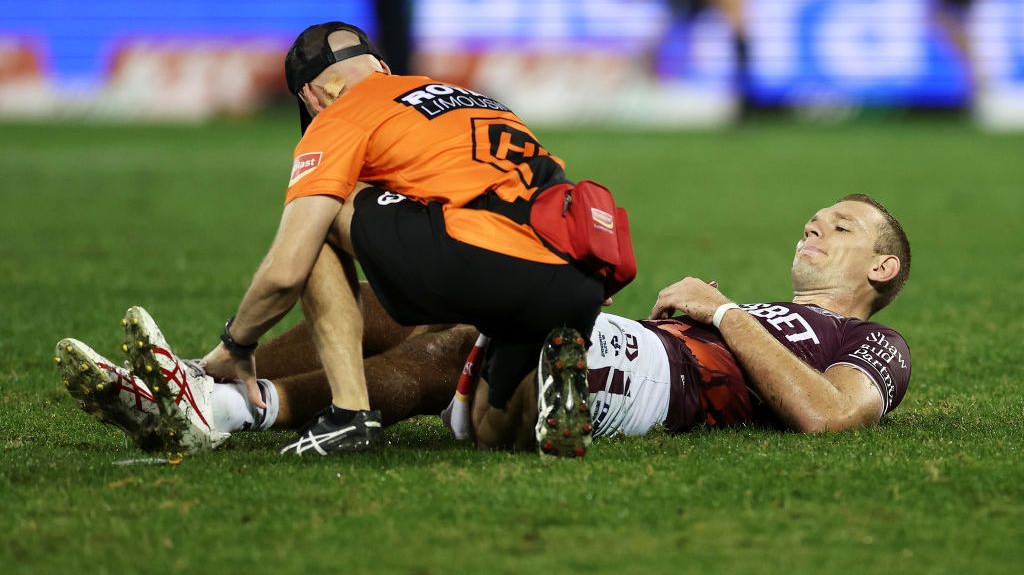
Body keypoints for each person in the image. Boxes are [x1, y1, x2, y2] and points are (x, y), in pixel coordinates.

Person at [57, 195, 911, 454]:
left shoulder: (873, 345)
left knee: (452, 344)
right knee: (406, 306)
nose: (814, 226)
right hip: (638, 347)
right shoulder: (763, 313)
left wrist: (722, 311)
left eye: (841, 226)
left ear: (883, 268)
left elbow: (828, 415)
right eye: (815, 218)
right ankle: (201, 386)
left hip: (666, 383)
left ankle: (216, 411)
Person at [193, 22, 634, 457]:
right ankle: (552, 384)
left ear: (311, 95)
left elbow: (286, 273)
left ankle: (350, 416)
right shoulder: (464, 96)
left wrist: (237, 344)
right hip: (578, 274)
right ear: (381, 66)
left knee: (321, 214)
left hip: (496, 259)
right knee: (487, 428)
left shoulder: (341, 113)